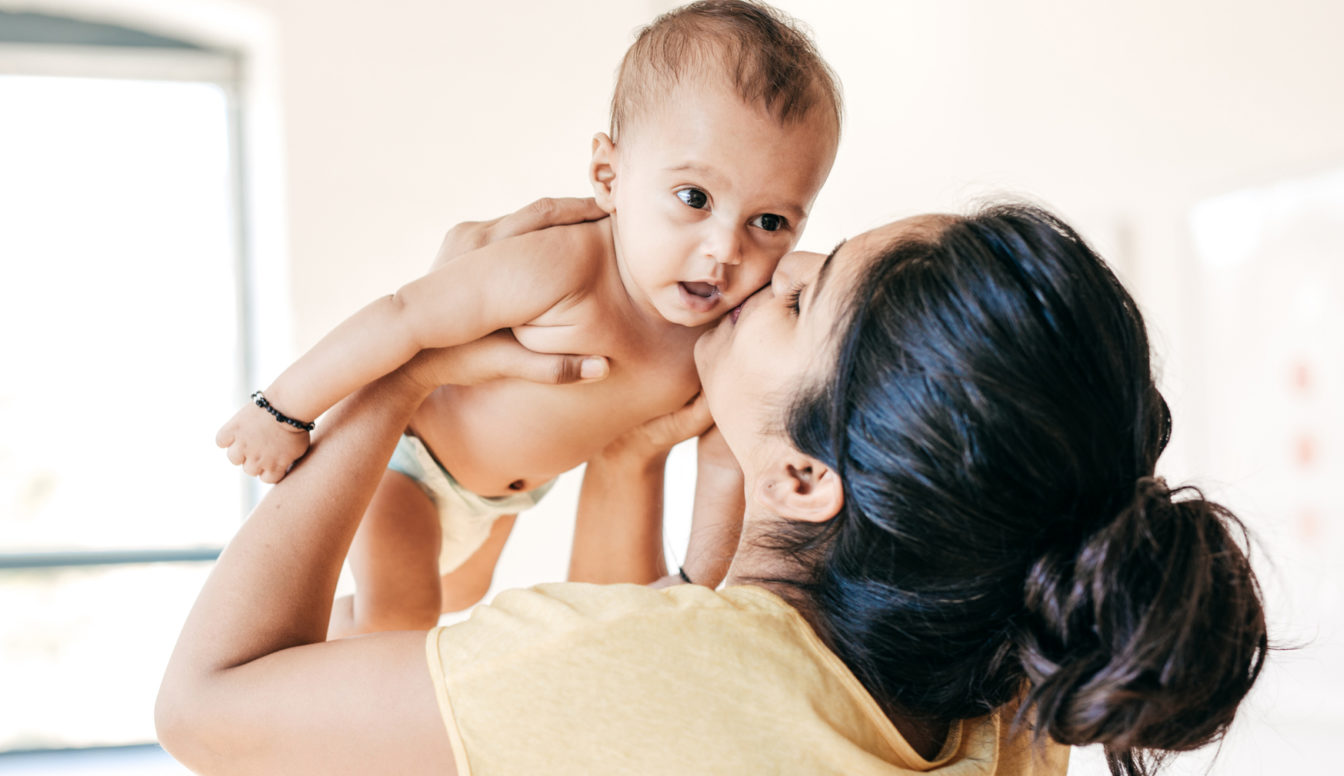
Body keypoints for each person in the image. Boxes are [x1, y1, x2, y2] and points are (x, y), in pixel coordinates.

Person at [158, 199, 1268, 775]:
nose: (765, 268)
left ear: (806, 472)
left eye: (804, 293)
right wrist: (642, 454)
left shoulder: (629, 671)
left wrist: (397, 376)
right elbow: (716, 669)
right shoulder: (1010, 694)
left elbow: (207, 709)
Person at [213, 0, 842, 634]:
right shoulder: (563, 265)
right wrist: (281, 409)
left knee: (458, 596)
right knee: (401, 625)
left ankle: (335, 641)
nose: (726, 250)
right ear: (608, 176)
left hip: (504, 497)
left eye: (770, 222)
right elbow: (403, 316)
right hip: (407, 469)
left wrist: (700, 589)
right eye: (694, 198)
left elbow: (726, 458)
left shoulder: (720, 336)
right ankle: (330, 698)